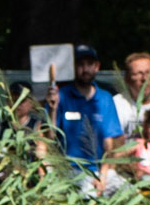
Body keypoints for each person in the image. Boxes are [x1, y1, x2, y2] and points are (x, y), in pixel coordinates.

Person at [48, 44, 122, 184]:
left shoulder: (106, 98)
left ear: (97, 66)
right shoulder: (61, 96)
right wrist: (53, 109)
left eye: (90, 64)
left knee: (130, 194)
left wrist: (103, 175)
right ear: (73, 67)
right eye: (80, 64)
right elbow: (50, 137)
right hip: (71, 170)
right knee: (88, 193)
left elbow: (109, 143)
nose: (85, 69)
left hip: (102, 170)